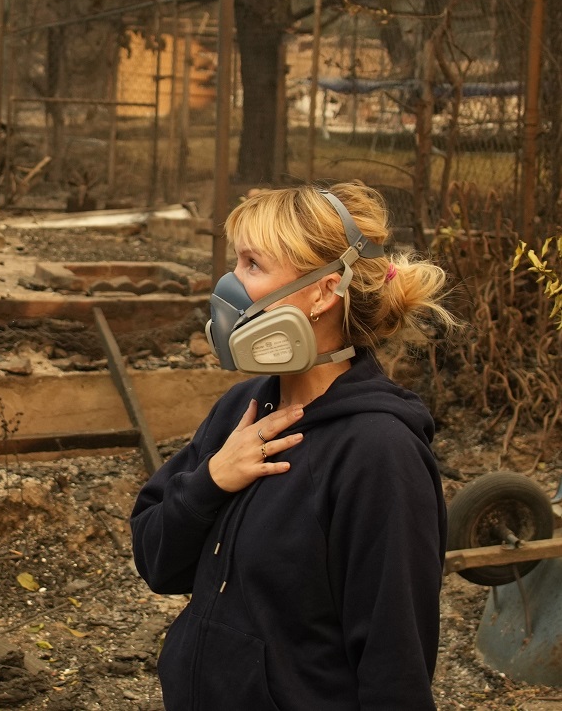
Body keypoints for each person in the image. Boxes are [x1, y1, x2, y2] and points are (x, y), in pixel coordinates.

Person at [130, 182, 457, 711]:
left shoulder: (379, 453)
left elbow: (394, 665)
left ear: (323, 292)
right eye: (236, 262)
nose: (228, 285)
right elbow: (156, 563)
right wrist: (211, 481)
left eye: (252, 265)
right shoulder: (243, 410)